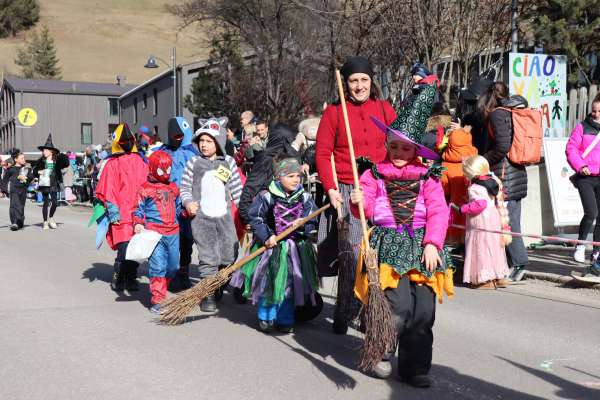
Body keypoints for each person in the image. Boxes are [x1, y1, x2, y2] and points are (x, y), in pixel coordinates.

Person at [350, 84, 453, 387]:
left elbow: (439, 212)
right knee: (398, 306)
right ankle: (380, 351)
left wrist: (433, 243)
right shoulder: (373, 174)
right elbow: (365, 209)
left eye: (405, 148)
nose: (397, 153)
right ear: (387, 145)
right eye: (393, 146)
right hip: (388, 243)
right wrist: (358, 202)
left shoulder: (429, 178)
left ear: (415, 151)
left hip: (423, 246)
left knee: (422, 310)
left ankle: (414, 367)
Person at [315, 56, 397, 334]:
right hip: (347, 190)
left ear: (371, 82)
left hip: (379, 189)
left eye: (364, 80)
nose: (359, 86)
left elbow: (399, 145)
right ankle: (346, 309)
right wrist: (331, 189)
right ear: (345, 84)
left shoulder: (385, 109)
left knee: (376, 252)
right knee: (351, 254)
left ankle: (369, 310)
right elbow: (323, 154)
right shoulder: (334, 113)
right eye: (353, 81)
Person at [232, 157, 318, 333]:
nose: (296, 179)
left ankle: (285, 319)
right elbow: (256, 218)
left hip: (295, 248)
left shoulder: (305, 197)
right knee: (270, 282)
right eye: (290, 175)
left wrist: (304, 224)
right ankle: (266, 317)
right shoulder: (267, 196)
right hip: (272, 248)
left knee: (290, 285)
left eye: (298, 176)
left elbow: (313, 218)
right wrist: (267, 236)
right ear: (279, 177)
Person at [180, 117, 243, 312]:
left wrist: (245, 214)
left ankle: (217, 285)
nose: (204, 145)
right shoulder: (194, 163)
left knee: (228, 256)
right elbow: (185, 188)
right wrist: (188, 202)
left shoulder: (228, 163)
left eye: (209, 141)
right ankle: (207, 295)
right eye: (201, 141)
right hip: (202, 219)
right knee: (208, 257)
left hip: (224, 219)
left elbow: (237, 190)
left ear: (219, 142)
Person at [478, 82, 529, 281]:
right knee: (507, 221)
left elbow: (502, 146)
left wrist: (484, 160)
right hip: (514, 173)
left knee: (509, 222)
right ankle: (512, 262)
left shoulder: (498, 114)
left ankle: (520, 263)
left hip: (506, 175)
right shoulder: (510, 112)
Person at [95, 123, 149, 292]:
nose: (126, 142)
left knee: (136, 248)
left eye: (128, 139)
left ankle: (131, 276)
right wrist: (113, 211)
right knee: (124, 247)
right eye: (123, 140)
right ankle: (119, 276)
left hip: (138, 214)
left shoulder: (140, 161)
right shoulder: (112, 164)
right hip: (121, 213)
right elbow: (109, 189)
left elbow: (147, 186)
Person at [133, 151, 182, 314]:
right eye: (161, 170)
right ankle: (158, 298)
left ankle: (162, 286)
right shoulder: (145, 189)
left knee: (173, 267)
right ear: (153, 168)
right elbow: (137, 209)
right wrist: (138, 224)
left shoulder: (174, 188)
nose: (165, 174)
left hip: (173, 232)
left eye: (167, 170)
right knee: (158, 266)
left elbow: (179, 207)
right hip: (155, 234)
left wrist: (187, 212)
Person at [157, 117, 200, 291]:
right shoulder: (162, 153)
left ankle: (184, 271)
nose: (177, 139)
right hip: (168, 206)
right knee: (170, 241)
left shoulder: (193, 153)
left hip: (188, 204)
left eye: (180, 135)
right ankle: (172, 274)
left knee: (187, 241)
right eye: (174, 136)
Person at [456, 155, 510, 289]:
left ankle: (484, 280)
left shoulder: (474, 187)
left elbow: (480, 204)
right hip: (494, 218)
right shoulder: (493, 181)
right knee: (494, 247)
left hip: (479, 222)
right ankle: (499, 276)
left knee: (481, 248)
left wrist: (464, 208)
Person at [238, 123, 302, 224]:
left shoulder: (290, 161)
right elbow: (249, 189)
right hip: (268, 220)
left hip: (290, 218)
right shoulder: (266, 160)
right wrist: (247, 218)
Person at [566, 94, 600, 265]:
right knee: (591, 212)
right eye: (594, 111)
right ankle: (580, 245)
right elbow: (571, 149)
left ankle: (597, 251)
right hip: (585, 176)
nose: (596, 114)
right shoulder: (582, 127)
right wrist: (581, 166)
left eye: (599, 111)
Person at [440, 114, 478, 248]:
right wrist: (462, 129)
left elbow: (445, 190)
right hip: (475, 208)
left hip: (455, 210)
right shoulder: (475, 160)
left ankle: (459, 245)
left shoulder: (446, 164)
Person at [33, 134, 69, 230]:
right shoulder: (41, 161)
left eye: (46, 150)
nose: (44, 152)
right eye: (43, 150)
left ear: (51, 151)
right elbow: (34, 171)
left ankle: (51, 217)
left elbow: (66, 163)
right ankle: (45, 222)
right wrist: (39, 172)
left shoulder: (57, 160)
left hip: (54, 183)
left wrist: (60, 155)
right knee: (45, 203)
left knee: (55, 202)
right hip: (44, 183)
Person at [0, 149, 33, 230]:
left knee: (21, 206)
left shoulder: (26, 168)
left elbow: (31, 177)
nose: (24, 160)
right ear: (16, 159)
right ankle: (14, 222)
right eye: (22, 158)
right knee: (15, 205)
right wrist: (2, 191)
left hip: (23, 189)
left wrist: (27, 177)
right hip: (14, 189)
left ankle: (20, 221)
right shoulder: (11, 169)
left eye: (24, 158)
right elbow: (5, 180)